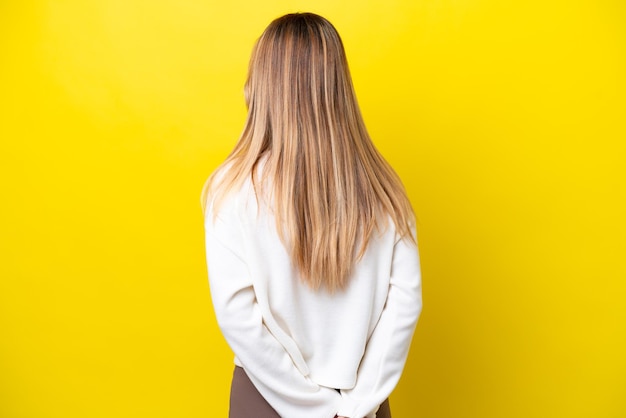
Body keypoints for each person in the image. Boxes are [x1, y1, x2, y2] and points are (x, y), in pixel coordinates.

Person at [202, 12, 422, 418]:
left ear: (265, 87)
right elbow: (403, 307)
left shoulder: (230, 190)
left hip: (266, 401)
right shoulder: (386, 191)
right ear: (339, 87)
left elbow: (239, 319)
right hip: (363, 404)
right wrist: (355, 406)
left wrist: (316, 409)